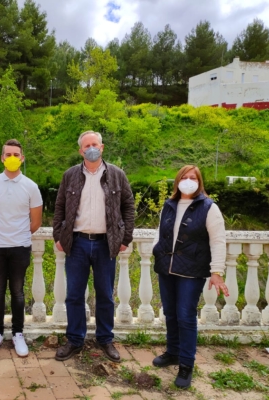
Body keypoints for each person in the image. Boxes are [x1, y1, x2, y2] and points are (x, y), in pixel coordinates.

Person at [53, 131, 135, 362]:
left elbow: (128, 206)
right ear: (80, 150)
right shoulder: (70, 175)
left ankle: (105, 339)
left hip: (105, 244)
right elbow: (59, 206)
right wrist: (58, 235)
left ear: (102, 147)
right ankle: (75, 340)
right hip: (77, 243)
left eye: (95, 144)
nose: (91, 148)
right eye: (86, 145)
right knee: (74, 295)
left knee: (106, 296)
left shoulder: (117, 175)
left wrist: (125, 238)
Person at [152, 165, 228, 389]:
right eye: (184, 177)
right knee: (171, 313)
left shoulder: (209, 207)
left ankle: (186, 364)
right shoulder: (169, 204)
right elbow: (160, 233)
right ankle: (173, 352)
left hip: (191, 271)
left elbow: (218, 240)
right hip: (166, 268)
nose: (188, 180)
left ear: (199, 181)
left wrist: (217, 272)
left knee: (185, 316)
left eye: (192, 177)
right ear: (177, 180)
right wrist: (155, 251)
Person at [0, 139, 43, 357]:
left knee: (17, 292)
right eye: (8, 154)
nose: (12, 158)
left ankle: (18, 334)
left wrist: (19, 234)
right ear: (2, 158)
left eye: (16, 154)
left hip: (20, 246)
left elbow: (36, 222)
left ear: (22, 158)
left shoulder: (31, 187)